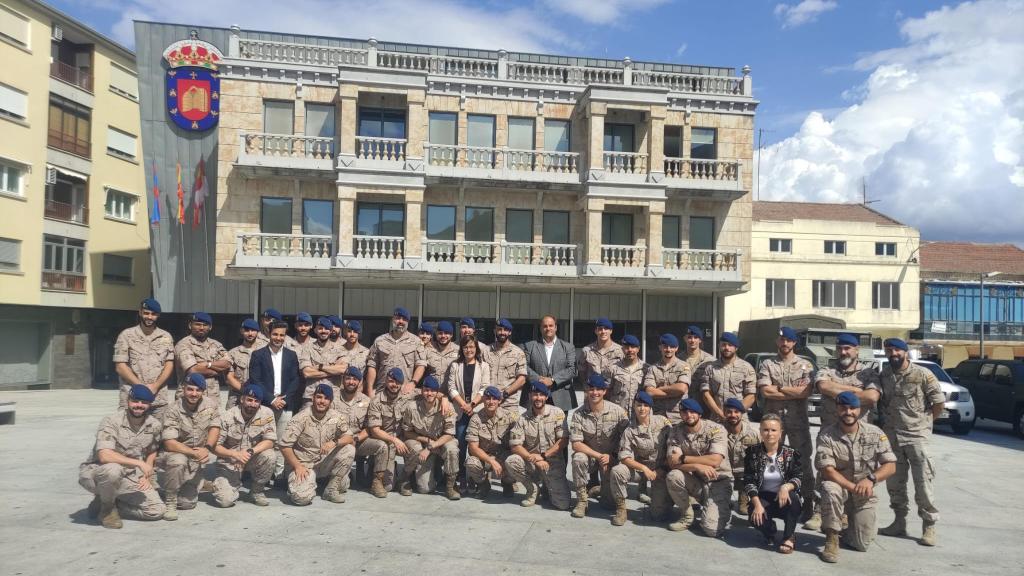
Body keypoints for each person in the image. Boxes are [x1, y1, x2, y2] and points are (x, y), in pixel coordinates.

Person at [807, 332, 881, 530]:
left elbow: (873, 397)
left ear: (857, 350)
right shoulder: (827, 369)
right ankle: (818, 512)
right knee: (825, 469)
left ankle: (846, 513)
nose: (843, 352)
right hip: (830, 431)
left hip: (859, 433)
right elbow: (823, 386)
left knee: (856, 470)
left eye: (847, 348)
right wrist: (857, 392)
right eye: (840, 348)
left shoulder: (869, 373)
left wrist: (837, 390)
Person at [877, 338, 944, 546]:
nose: (893, 353)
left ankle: (929, 526)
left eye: (897, 349)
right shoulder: (885, 375)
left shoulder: (923, 374)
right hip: (892, 437)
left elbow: (939, 403)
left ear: (906, 352)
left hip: (916, 437)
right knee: (895, 483)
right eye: (889, 350)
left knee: (923, 483)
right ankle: (899, 522)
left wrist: (925, 423)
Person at [816, 392, 897, 562]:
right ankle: (832, 538)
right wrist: (852, 487)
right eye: (843, 408)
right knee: (830, 488)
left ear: (859, 410)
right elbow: (827, 470)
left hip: (864, 493)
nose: (848, 412)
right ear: (837, 409)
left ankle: (845, 527)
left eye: (853, 408)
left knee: (862, 544)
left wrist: (871, 479)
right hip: (841, 488)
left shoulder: (875, 433)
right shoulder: (826, 435)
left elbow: (890, 466)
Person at [78, 384, 166, 528]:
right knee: (113, 470)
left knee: (157, 511)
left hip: (129, 473)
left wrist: (147, 472)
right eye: (136, 401)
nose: (139, 405)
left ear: (149, 405)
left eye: (144, 403)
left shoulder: (154, 425)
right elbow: (104, 455)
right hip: (97, 473)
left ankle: (115, 504)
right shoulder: (111, 421)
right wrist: (139, 463)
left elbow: (152, 449)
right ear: (128, 400)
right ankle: (107, 510)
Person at [756, 326, 816, 522]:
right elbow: (766, 391)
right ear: (777, 342)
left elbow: (805, 392)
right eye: (781, 340)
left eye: (788, 340)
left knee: (803, 462)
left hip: (798, 421)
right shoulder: (767, 364)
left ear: (794, 343)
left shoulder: (805, 365)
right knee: (770, 459)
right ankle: (770, 499)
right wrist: (790, 390)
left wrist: (779, 387)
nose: (785, 343)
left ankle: (808, 502)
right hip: (773, 421)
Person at [665, 398, 732, 537]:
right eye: (684, 412)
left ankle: (722, 507)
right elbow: (673, 462)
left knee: (711, 530)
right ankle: (687, 515)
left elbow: (715, 460)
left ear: (700, 414)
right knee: (674, 475)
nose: (689, 415)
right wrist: (696, 466)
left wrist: (685, 458)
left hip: (718, 481)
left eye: (693, 412)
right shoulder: (676, 431)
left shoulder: (716, 429)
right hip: (697, 481)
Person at [279, 383, 354, 505]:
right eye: (319, 397)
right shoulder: (301, 418)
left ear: (330, 402)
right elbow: (284, 446)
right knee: (301, 498)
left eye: (326, 398)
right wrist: (297, 466)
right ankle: (306, 484)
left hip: (324, 463)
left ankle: (331, 490)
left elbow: (350, 437)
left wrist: (334, 442)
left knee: (349, 449)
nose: (322, 401)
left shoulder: (336, 416)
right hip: (304, 465)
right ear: (313, 398)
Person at [742, 413, 804, 554]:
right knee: (754, 515)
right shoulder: (752, 453)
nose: (769, 433)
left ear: (781, 433)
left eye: (774, 430)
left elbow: (799, 477)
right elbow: (748, 480)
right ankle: (769, 529)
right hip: (763, 497)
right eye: (766, 430)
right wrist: (757, 504)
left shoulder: (792, 453)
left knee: (794, 499)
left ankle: (789, 536)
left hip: (783, 498)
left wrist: (786, 486)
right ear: (761, 432)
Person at [160, 373, 220, 520]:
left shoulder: (210, 405)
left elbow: (215, 427)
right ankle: (170, 500)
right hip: (176, 453)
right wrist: (194, 454)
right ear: (183, 389)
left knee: (187, 504)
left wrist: (207, 448)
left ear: (203, 391)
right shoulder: (172, 409)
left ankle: (195, 481)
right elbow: (169, 443)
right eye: (190, 389)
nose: (194, 394)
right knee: (178, 461)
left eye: (198, 390)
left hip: (197, 457)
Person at [569, 373, 629, 518]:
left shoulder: (618, 412)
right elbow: (576, 444)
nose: (594, 393)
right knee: (578, 458)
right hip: (591, 458)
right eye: (591, 389)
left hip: (611, 459)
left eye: (598, 389)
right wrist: (599, 456)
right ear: (587, 391)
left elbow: (627, 440)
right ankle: (582, 501)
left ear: (604, 391)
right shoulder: (579, 414)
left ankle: (601, 490)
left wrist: (613, 456)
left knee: (608, 505)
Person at [249, 320, 302, 481]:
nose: (278, 338)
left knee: (282, 442)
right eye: (275, 334)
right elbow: (255, 379)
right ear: (269, 334)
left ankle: (279, 477)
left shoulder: (291, 355)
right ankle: (260, 476)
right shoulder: (258, 355)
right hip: (265, 405)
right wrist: (272, 399)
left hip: (285, 405)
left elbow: (295, 380)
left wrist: (284, 399)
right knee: (261, 441)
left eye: (282, 335)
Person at [506, 381, 573, 509]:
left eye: (541, 395)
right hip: (532, 462)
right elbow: (515, 446)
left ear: (546, 397)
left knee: (563, 505)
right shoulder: (523, 418)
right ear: (530, 396)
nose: (538, 398)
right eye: (535, 394)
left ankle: (548, 487)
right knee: (512, 460)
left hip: (552, 463)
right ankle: (532, 489)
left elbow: (563, 440)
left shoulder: (557, 413)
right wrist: (535, 460)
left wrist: (544, 456)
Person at [610, 390, 671, 526]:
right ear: (634, 407)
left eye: (645, 405)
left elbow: (673, 448)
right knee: (618, 471)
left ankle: (667, 500)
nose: (642, 408)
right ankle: (621, 508)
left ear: (650, 407)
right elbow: (624, 457)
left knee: (658, 515)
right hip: (640, 471)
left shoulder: (662, 423)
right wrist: (643, 468)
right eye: (638, 405)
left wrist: (661, 470)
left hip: (661, 470)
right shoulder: (630, 430)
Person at [211, 384, 277, 507]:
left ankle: (257, 491)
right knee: (225, 501)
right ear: (242, 399)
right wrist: (235, 454)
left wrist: (250, 452)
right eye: (249, 400)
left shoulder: (267, 413)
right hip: (229, 462)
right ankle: (230, 486)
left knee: (270, 455)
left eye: (256, 401)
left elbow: (270, 441)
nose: (252, 404)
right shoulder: (227, 416)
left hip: (251, 458)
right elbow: (214, 447)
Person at [398, 375, 460, 500]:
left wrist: (431, 446)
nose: (429, 393)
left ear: (437, 393)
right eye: (426, 390)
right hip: (422, 444)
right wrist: (426, 441)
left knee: (452, 449)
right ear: (422, 391)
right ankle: (405, 477)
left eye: (432, 390)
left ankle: (450, 486)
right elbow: (407, 433)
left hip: (441, 442)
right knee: (425, 489)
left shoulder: (447, 408)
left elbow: (449, 434)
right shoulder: (412, 407)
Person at [112, 298, 175, 420]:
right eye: (146, 313)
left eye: (153, 314)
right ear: (140, 312)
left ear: (158, 316)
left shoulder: (166, 337)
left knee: (159, 435)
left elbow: (169, 365)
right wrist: (142, 387)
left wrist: (156, 386)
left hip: (158, 399)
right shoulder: (126, 335)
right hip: (132, 398)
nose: (149, 317)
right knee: (127, 435)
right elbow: (120, 366)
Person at [333, 365, 389, 498]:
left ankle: (377, 481)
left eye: (354, 379)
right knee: (342, 487)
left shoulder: (366, 401)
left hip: (358, 441)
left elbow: (370, 427)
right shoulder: (333, 399)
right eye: (348, 378)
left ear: (359, 383)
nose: (351, 382)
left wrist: (356, 439)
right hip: (338, 444)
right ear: (343, 380)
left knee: (382, 446)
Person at [445, 335, 490, 486]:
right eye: (465, 347)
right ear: (461, 349)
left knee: (475, 445)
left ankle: (474, 477)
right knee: (461, 444)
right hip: (460, 411)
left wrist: (473, 404)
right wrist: (464, 404)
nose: (468, 350)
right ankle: (461, 476)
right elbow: (451, 388)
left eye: (471, 347)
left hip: (477, 411)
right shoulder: (455, 366)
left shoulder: (483, 366)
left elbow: (485, 387)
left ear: (476, 348)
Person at [465, 386, 519, 498]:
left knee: (516, 461)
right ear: (483, 400)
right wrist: (491, 461)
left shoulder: (509, 417)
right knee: (471, 462)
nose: (491, 402)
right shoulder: (476, 419)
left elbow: (519, 439)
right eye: (488, 398)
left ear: (499, 401)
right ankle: (483, 483)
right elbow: (473, 448)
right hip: (485, 458)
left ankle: (507, 483)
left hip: (503, 456)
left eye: (494, 399)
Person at [367, 368, 415, 493]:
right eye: (391, 381)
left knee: (415, 448)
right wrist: (394, 440)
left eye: (398, 382)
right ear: (386, 381)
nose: (394, 385)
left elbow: (431, 391)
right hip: (386, 440)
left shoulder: (409, 396)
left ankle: (405, 477)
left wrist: (444, 399)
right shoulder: (377, 400)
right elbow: (374, 430)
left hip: (403, 438)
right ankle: (383, 466)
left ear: (402, 383)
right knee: (388, 487)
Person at [699, 332, 756, 424]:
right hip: (717, 418)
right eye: (723, 345)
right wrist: (719, 413)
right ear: (719, 346)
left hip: (739, 420)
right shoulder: (710, 368)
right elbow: (706, 394)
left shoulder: (746, 368)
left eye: (730, 345)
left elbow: (751, 396)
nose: (727, 348)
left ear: (736, 348)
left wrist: (735, 413)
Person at [523, 315, 578, 411]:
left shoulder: (568, 347)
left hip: (560, 396)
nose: (548, 328)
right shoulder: (530, 346)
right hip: (536, 394)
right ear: (540, 328)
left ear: (556, 327)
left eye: (550, 325)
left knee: (560, 425)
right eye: (545, 326)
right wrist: (539, 379)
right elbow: (524, 367)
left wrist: (552, 379)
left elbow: (572, 369)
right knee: (534, 425)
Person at [174, 312, 231, 405]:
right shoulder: (184, 344)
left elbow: (227, 364)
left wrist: (208, 364)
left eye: (205, 325)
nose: (201, 327)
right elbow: (193, 370)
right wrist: (218, 370)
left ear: (210, 327)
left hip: (212, 399)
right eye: (197, 324)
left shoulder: (216, 345)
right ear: (190, 325)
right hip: (189, 399)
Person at [365, 307, 422, 395]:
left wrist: (413, 383)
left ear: (408, 322)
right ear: (393, 320)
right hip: (382, 392)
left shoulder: (416, 342)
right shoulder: (380, 341)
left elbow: (421, 365)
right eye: (398, 318)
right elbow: (372, 366)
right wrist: (369, 391)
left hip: (404, 393)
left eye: (404, 319)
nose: (401, 321)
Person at [721, 398, 760, 515]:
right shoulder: (718, 431)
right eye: (729, 412)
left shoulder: (753, 434)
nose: (733, 415)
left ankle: (744, 498)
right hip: (724, 474)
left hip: (744, 476)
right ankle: (723, 498)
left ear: (742, 414)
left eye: (736, 412)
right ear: (724, 413)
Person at [298, 316, 348, 406]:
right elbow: (307, 373)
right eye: (320, 328)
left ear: (330, 330)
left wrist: (320, 367)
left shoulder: (340, 349)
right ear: (315, 330)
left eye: (326, 328)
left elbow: (343, 369)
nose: (323, 331)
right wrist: (333, 371)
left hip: (333, 397)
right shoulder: (307, 348)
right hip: (311, 397)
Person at [481, 318, 528, 410]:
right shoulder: (485, 351)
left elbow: (522, 379)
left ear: (510, 332)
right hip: (488, 402)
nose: (502, 332)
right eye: (499, 329)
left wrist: (504, 394)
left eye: (505, 330)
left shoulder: (518, 353)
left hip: (509, 403)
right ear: (495, 331)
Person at [642, 333, 690, 424]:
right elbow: (649, 392)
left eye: (672, 347)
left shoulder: (684, 366)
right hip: (658, 418)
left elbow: (682, 388)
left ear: (676, 348)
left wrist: (660, 389)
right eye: (665, 346)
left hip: (678, 417)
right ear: (660, 347)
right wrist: (674, 393)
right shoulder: (653, 368)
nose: (668, 350)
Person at [603, 335, 647, 415]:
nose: (630, 350)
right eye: (626, 347)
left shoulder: (647, 369)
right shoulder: (612, 368)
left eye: (633, 347)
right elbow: (605, 392)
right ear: (622, 349)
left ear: (638, 349)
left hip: (639, 415)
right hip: (617, 414)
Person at [225, 319, 264, 409]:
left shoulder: (265, 351)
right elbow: (229, 378)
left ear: (258, 332)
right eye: (247, 330)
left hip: (259, 398)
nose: (250, 333)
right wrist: (247, 391)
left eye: (253, 330)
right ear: (241, 331)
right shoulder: (233, 353)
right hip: (237, 398)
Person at [578, 317, 623, 388]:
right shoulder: (587, 350)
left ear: (611, 331)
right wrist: (586, 387)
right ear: (596, 331)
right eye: (600, 329)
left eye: (606, 328)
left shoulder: (621, 351)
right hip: (593, 393)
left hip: (612, 394)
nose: (603, 331)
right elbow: (581, 372)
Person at [414, 320, 459, 386]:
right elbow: (421, 366)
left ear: (451, 335)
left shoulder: (458, 350)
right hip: (431, 392)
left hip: (451, 393)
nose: (443, 336)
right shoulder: (427, 349)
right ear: (436, 334)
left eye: (446, 333)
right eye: (440, 333)